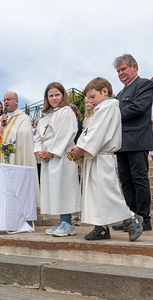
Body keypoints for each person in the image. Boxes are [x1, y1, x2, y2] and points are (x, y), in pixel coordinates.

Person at [70, 77, 143, 241]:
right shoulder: (101, 108)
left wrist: (82, 148)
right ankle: (101, 228)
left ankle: (132, 219)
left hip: (101, 156)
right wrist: (81, 147)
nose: (90, 101)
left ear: (104, 91)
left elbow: (98, 131)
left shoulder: (109, 106)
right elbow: (90, 131)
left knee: (107, 192)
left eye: (92, 96)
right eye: (88, 98)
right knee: (95, 194)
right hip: (93, 155)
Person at [112, 54, 153, 232]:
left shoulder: (144, 84)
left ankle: (143, 218)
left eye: (124, 69)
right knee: (126, 182)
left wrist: (111, 117)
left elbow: (137, 108)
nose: (121, 73)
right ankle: (130, 217)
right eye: (118, 70)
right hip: (121, 143)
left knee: (139, 180)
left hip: (136, 141)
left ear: (134, 67)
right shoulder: (120, 93)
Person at [35, 82, 80, 237]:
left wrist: (51, 152)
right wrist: (40, 151)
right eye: (51, 95)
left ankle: (68, 222)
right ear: (47, 98)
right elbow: (39, 137)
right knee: (54, 188)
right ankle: (62, 221)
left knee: (64, 186)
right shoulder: (45, 117)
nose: (54, 98)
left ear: (63, 95)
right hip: (48, 156)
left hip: (62, 154)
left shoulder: (67, 111)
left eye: (57, 95)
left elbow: (66, 133)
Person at [0, 91, 40, 209]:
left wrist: (4, 131)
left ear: (16, 101)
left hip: (16, 159)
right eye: (4, 100)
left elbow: (23, 134)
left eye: (9, 99)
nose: (6, 102)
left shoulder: (23, 118)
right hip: (0, 160)